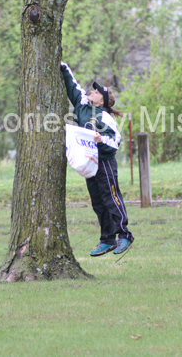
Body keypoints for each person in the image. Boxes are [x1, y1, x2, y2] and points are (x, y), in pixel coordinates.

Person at [60, 62, 134, 257]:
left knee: (111, 197)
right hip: (89, 163)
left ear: (102, 102)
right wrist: (62, 66)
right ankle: (107, 239)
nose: (92, 91)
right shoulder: (82, 106)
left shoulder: (104, 116)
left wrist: (101, 140)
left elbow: (115, 141)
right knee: (98, 202)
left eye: (96, 92)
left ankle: (124, 235)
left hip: (105, 163)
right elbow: (71, 84)